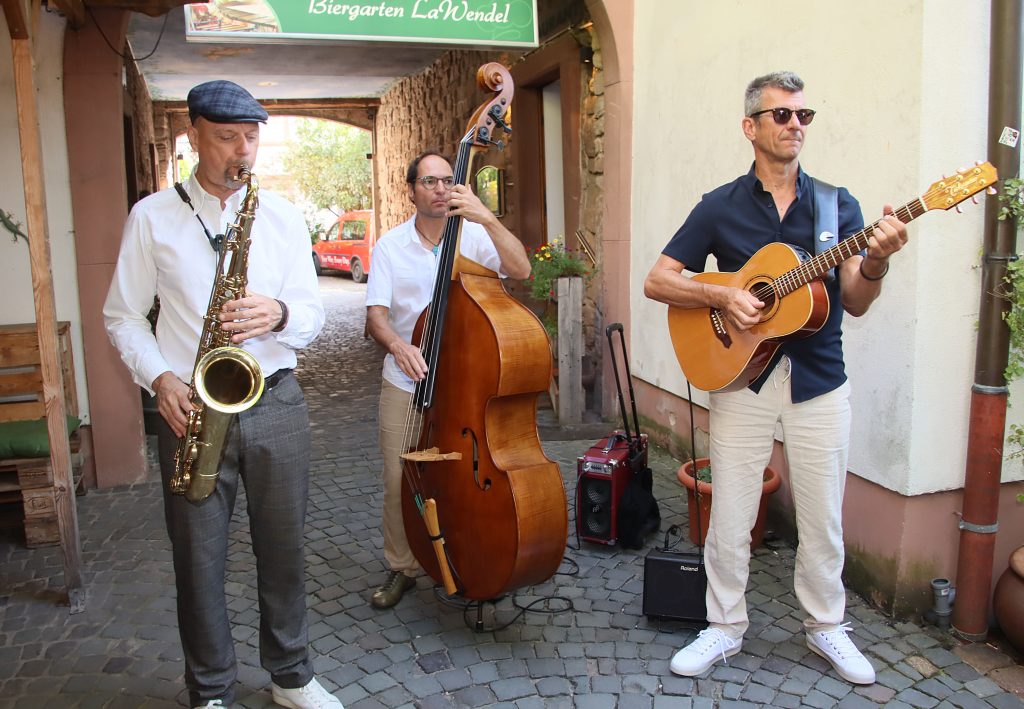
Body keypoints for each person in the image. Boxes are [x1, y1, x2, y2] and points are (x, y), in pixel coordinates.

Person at [644, 71, 908, 686]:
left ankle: (826, 627)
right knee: (731, 513)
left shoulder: (837, 206)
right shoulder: (720, 205)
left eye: (803, 115)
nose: (795, 125)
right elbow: (659, 280)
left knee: (822, 517)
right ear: (751, 127)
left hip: (820, 379)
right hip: (742, 380)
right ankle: (724, 625)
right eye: (782, 115)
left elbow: (855, 300)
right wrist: (722, 295)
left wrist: (875, 260)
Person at [103, 80, 341, 709]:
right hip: (190, 407)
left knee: (285, 549)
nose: (243, 151)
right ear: (193, 136)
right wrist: (161, 379)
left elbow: (313, 314)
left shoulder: (282, 216)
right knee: (198, 559)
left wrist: (279, 313)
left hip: (277, 399)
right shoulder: (152, 216)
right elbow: (123, 316)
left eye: (252, 138)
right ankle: (210, 689)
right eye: (228, 137)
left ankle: (291, 677)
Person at [364, 151, 531, 609]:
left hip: (467, 385)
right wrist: (398, 346)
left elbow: (521, 269)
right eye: (429, 181)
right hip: (407, 382)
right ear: (411, 190)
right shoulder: (391, 247)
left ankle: (466, 557)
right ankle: (402, 566)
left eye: (447, 181)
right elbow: (376, 316)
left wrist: (486, 216)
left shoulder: (475, 236)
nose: (440, 189)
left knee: (463, 478)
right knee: (399, 476)